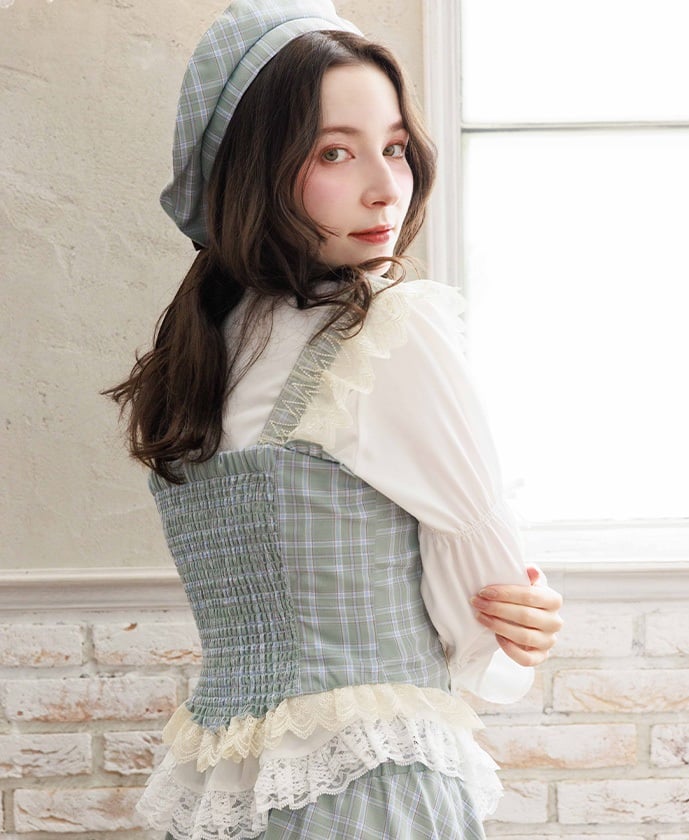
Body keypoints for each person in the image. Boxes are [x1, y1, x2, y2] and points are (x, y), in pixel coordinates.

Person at [106, 2, 563, 838]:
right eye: (334, 153)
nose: (386, 187)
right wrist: (518, 633)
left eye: (396, 147)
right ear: (255, 169)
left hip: (229, 791)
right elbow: (488, 625)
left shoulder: (202, 349)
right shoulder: (386, 331)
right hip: (372, 785)